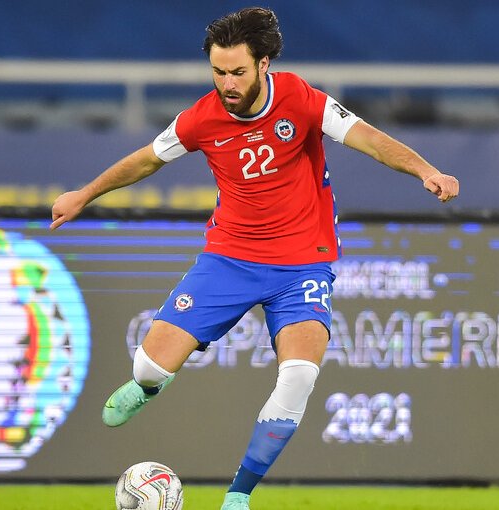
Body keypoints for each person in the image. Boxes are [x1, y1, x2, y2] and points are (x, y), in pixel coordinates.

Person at [50, 7, 458, 509]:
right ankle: (146, 387)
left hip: (304, 263)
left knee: (299, 376)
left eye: (237, 72)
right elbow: (146, 159)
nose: (227, 83)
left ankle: (238, 496)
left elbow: (370, 139)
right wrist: (83, 194)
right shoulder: (202, 118)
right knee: (152, 366)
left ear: (264, 64)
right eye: (218, 72)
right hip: (230, 258)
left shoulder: (302, 100)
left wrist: (425, 171)